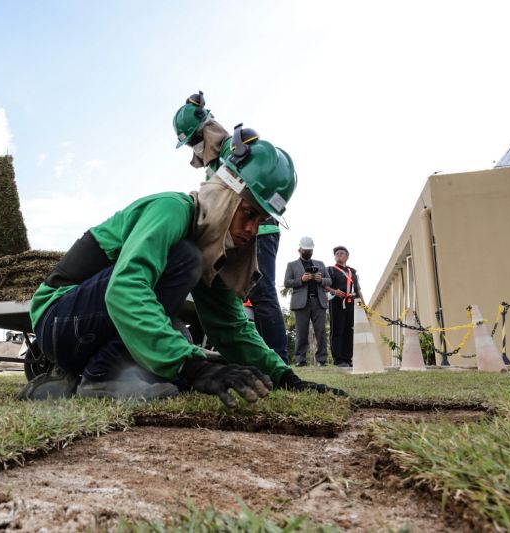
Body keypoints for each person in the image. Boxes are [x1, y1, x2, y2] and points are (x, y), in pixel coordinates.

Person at [19, 125, 345, 403]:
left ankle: (66, 382)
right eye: (248, 213)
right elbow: (124, 290)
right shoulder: (172, 210)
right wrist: (194, 368)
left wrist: (286, 377)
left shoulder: (211, 248)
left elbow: (230, 326)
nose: (252, 230)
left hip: (86, 328)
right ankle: (100, 378)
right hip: (57, 321)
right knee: (185, 267)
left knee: (180, 344)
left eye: (261, 220)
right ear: (226, 194)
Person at [173, 93, 289, 363]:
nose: (193, 148)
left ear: (204, 130)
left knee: (262, 293)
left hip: (260, 230)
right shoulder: (213, 165)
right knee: (232, 292)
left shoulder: (234, 151)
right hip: (236, 231)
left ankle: (279, 357)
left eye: (193, 140)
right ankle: (245, 355)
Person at [283, 237, 331, 366]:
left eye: (310, 250)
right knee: (301, 332)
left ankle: (322, 360)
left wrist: (321, 280)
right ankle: (300, 360)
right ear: (299, 250)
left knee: (321, 331)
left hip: (318, 302)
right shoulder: (292, 265)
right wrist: (301, 280)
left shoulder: (320, 263)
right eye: (306, 250)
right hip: (301, 303)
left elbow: (329, 280)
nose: (308, 252)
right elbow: (287, 282)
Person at [327, 246, 364, 367]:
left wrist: (363, 306)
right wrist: (334, 291)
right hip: (337, 302)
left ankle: (347, 359)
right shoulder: (330, 270)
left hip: (351, 302)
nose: (339, 255)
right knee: (337, 330)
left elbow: (357, 290)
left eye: (341, 253)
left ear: (347, 256)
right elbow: (324, 285)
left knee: (350, 330)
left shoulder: (352, 272)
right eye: (337, 253)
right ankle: (338, 359)